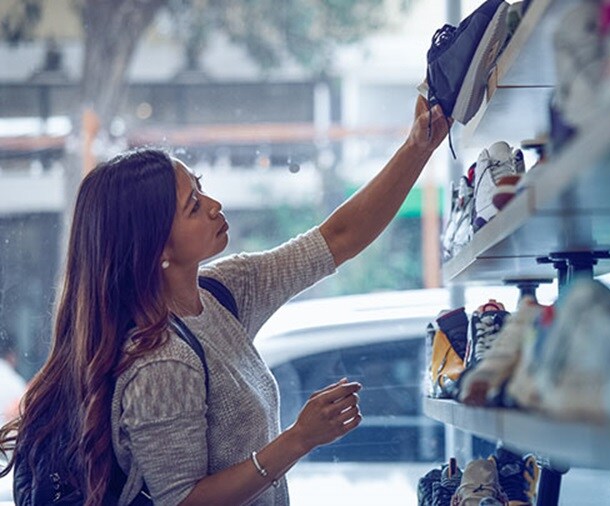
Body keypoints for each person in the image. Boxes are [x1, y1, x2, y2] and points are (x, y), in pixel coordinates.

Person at [0, 95, 449, 505]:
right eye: (193, 205)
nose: (214, 204)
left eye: (201, 187)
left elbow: (337, 239)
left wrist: (417, 148)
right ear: (157, 247)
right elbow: (184, 501)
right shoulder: (161, 363)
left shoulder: (221, 293)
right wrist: (299, 439)